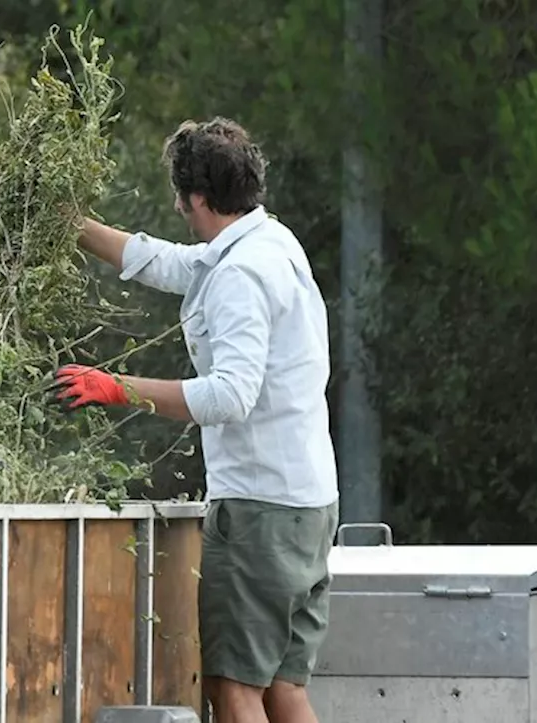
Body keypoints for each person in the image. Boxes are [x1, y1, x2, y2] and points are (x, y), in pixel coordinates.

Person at [51, 117, 340, 723]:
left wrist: (117, 387)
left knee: (233, 687)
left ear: (198, 199)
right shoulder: (269, 244)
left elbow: (229, 397)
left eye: (181, 200)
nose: (179, 210)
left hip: (262, 511)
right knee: (284, 689)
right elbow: (175, 264)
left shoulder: (239, 273)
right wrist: (74, 228)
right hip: (309, 504)